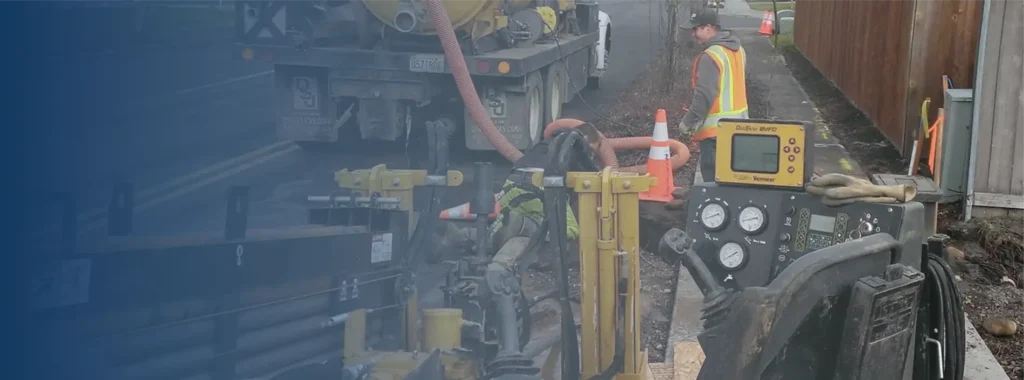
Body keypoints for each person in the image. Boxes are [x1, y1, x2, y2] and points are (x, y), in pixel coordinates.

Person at [488, 120, 606, 271]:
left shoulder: (549, 143)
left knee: (521, 230)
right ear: (586, 141)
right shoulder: (575, 143)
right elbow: (587, 179)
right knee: (568, 229)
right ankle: (525, 228)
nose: (590, 155)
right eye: (592, 151)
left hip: (510, 185)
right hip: (537, 186)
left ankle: (498, 265)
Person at [679, 10, 749, 181]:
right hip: (740, 131)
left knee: (713, 186)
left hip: (715, 136)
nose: (693, 34)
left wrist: (688, 124)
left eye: (696, 29)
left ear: (709, 28)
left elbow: (704, 95)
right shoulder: (738, 50)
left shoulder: (710, 56)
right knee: (733, 181)